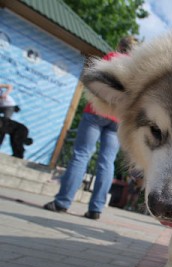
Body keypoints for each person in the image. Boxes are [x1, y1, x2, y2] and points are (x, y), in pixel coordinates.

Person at [44, 36, 138, 220]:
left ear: (119, 46)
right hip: (117, 118)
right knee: (107, 161)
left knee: (81, 154)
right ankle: (96, 209)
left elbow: (94, 79)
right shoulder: (135, 68)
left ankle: (62, 202)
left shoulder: (111, 56)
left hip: (95, 112)